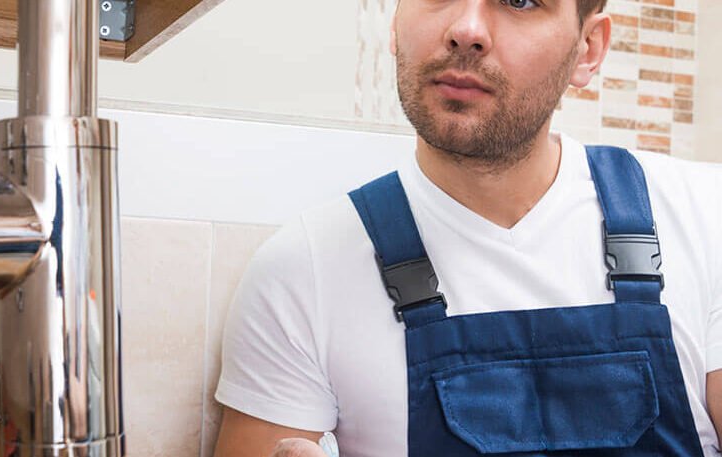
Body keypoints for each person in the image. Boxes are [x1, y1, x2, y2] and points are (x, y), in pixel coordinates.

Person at [213, 0, 722, 456]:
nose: (466, 29)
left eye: (519, 0)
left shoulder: (704, 218)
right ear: (395, 21)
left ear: (588, 48)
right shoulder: (303, 272)